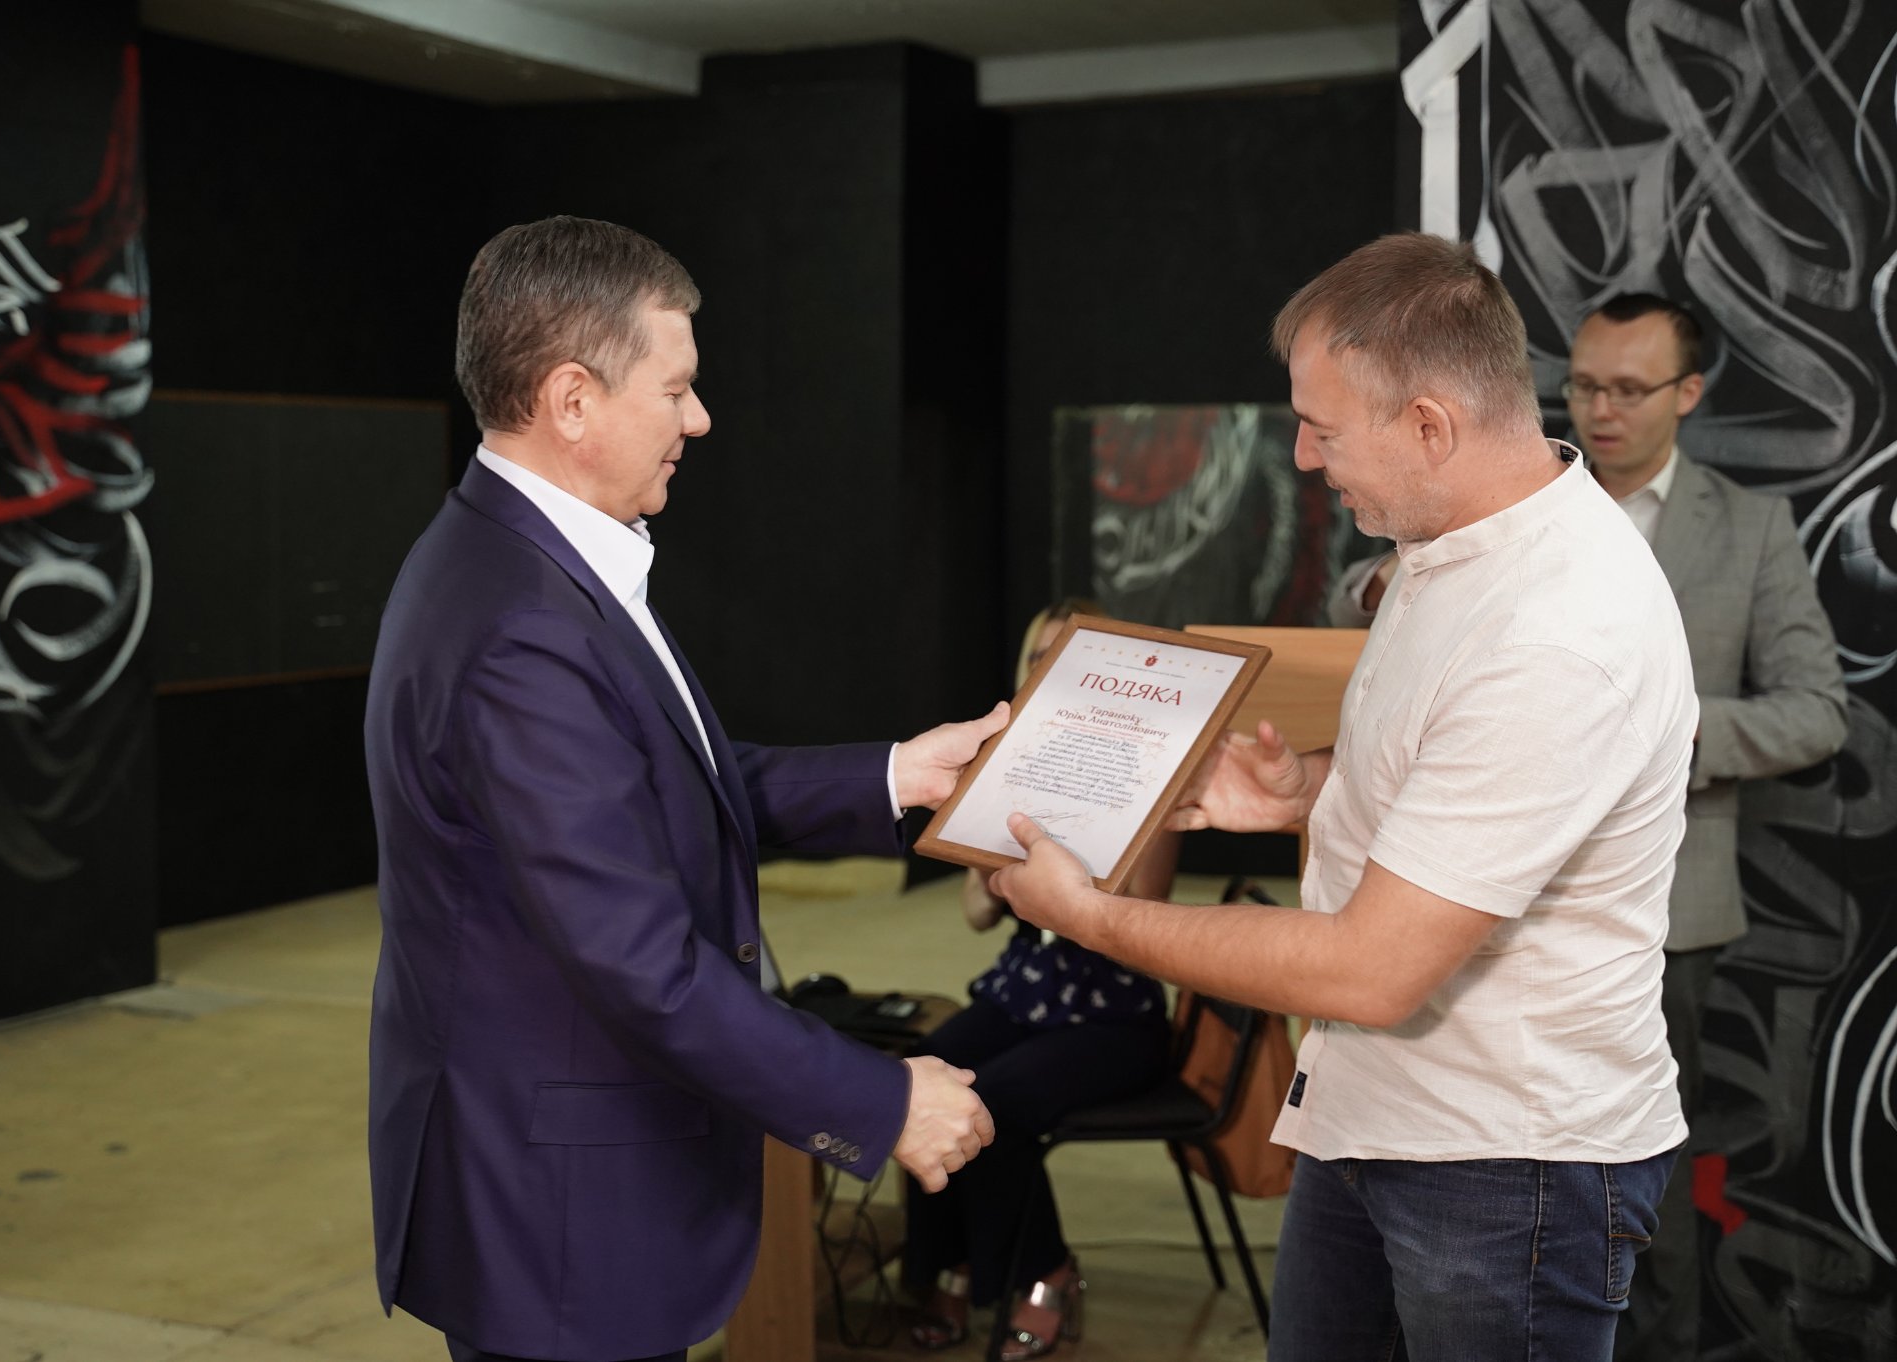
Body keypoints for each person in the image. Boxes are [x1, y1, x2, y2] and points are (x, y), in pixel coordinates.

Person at [991, 232, 1699, 1361]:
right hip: (1370, 1115)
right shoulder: (1448, 542)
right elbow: (1448, 778)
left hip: (1501, 1164)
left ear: (1429, 425)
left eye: (1322, 428)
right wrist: (1307, 792)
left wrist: (1090, 916)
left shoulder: (1560, 628)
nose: (1304, 458)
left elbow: (1371, 968)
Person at [364, 216, 1006, 1362]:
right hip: (557, 1219)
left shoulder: (525, 563)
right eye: (675, 389)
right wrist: (881, 1102)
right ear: (571, 401)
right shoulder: (521, 628)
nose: (697, 420)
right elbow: (641, 965)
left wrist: (896, 775)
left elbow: (673, 786)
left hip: (555, 1190)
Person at [1329, 294, 1849, 1361]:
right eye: (1583, 386)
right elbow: (1356, 592)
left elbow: (1817, 710)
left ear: (1687, 394)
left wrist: (1650, 727)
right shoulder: (1508, 497)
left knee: (1629, 1197)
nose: (1600, 410)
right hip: (1456, 901)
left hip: (1667, 912)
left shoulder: (1746, 528)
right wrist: (1390, 575)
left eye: (1628, 389)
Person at [902, 599, 1175, 1361]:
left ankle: (1044, 1271)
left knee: (997, 1103)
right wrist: (993, 844)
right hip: (1024, 987)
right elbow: (977, 916)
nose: (1050, 670)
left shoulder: (1150, 764)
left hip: (1114, 1010)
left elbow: (1146, 927)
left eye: (1069, 655)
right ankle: (949, 1264)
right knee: (919, 1080)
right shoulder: (1006, 761)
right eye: (1038, 656)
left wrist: (1082, 841)